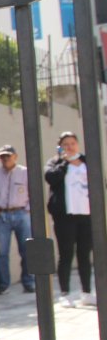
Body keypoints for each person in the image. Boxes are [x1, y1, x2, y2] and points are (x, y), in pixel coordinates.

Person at [45, 131, 96, 308]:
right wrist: (64, 163)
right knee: (66, 254)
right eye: (65, 144)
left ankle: (87, 292)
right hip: (65, 216)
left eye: (72, 143)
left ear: (78, 144)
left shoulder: (87, 161)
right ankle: (65, 293)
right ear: (60, 146)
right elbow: (50, 178)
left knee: (84, 255)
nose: (69, 147)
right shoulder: (56, 163)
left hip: (86, 215)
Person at [0, 144, 34, 294]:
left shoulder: (25, 173)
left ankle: (29, 281)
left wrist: (27, 209)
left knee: (27, 249)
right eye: (2, 156)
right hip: (2, 215)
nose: (5, 159)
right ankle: (2, 284)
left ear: (15, 157)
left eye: (8, 156)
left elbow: (34, 191)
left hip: (21, 213)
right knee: (2, 251)